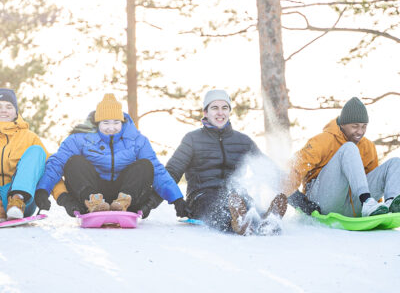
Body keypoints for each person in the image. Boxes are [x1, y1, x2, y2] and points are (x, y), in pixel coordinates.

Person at [35, 93, 188, 219]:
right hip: (92, 190)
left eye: (116, 122)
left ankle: (122, 202)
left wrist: (177, 199)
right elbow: (57, 163)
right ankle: (93, 202)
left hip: (126, 192)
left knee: (145, 165)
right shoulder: (79, 138)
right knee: (74, 162)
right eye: (105, 122)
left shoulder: (137, 140)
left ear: (122, 122)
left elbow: (157, 170)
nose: (111, 127)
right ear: (97, 123)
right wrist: (43, 190)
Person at [165, 90, 287, 235]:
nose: (220, 113)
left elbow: (266, 170)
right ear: (205, 112)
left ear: (229, 111)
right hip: (202, 195)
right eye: (214, 108)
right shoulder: (192, 139)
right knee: (218, 207)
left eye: (224, 108)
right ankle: (238, 223)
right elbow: (172, 171)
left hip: (235, 194)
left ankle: (267, 221)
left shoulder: (243, 141)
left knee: (249, 205)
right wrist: (176, 200)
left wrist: (294, 195)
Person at [286, 96, 400, 218]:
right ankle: (367, 202)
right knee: (349, 148)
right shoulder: (323, 141)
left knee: (395, 163)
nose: (360, 131)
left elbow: (369, 181)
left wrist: (377, 208)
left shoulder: (368, 147)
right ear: (343, 124)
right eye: (355, 126)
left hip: (353, 205)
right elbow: (294, 167)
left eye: (364, 126)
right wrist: (292, 195)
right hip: (322, 202)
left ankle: (390, 206)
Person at [0, 88, 60, 220]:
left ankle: (17, 200)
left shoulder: (29, 137)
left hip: (23, 201)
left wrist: (64, 197)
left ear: (16, 111)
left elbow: (51, 168)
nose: (4, 110)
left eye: (9, 106)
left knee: (37, 151)